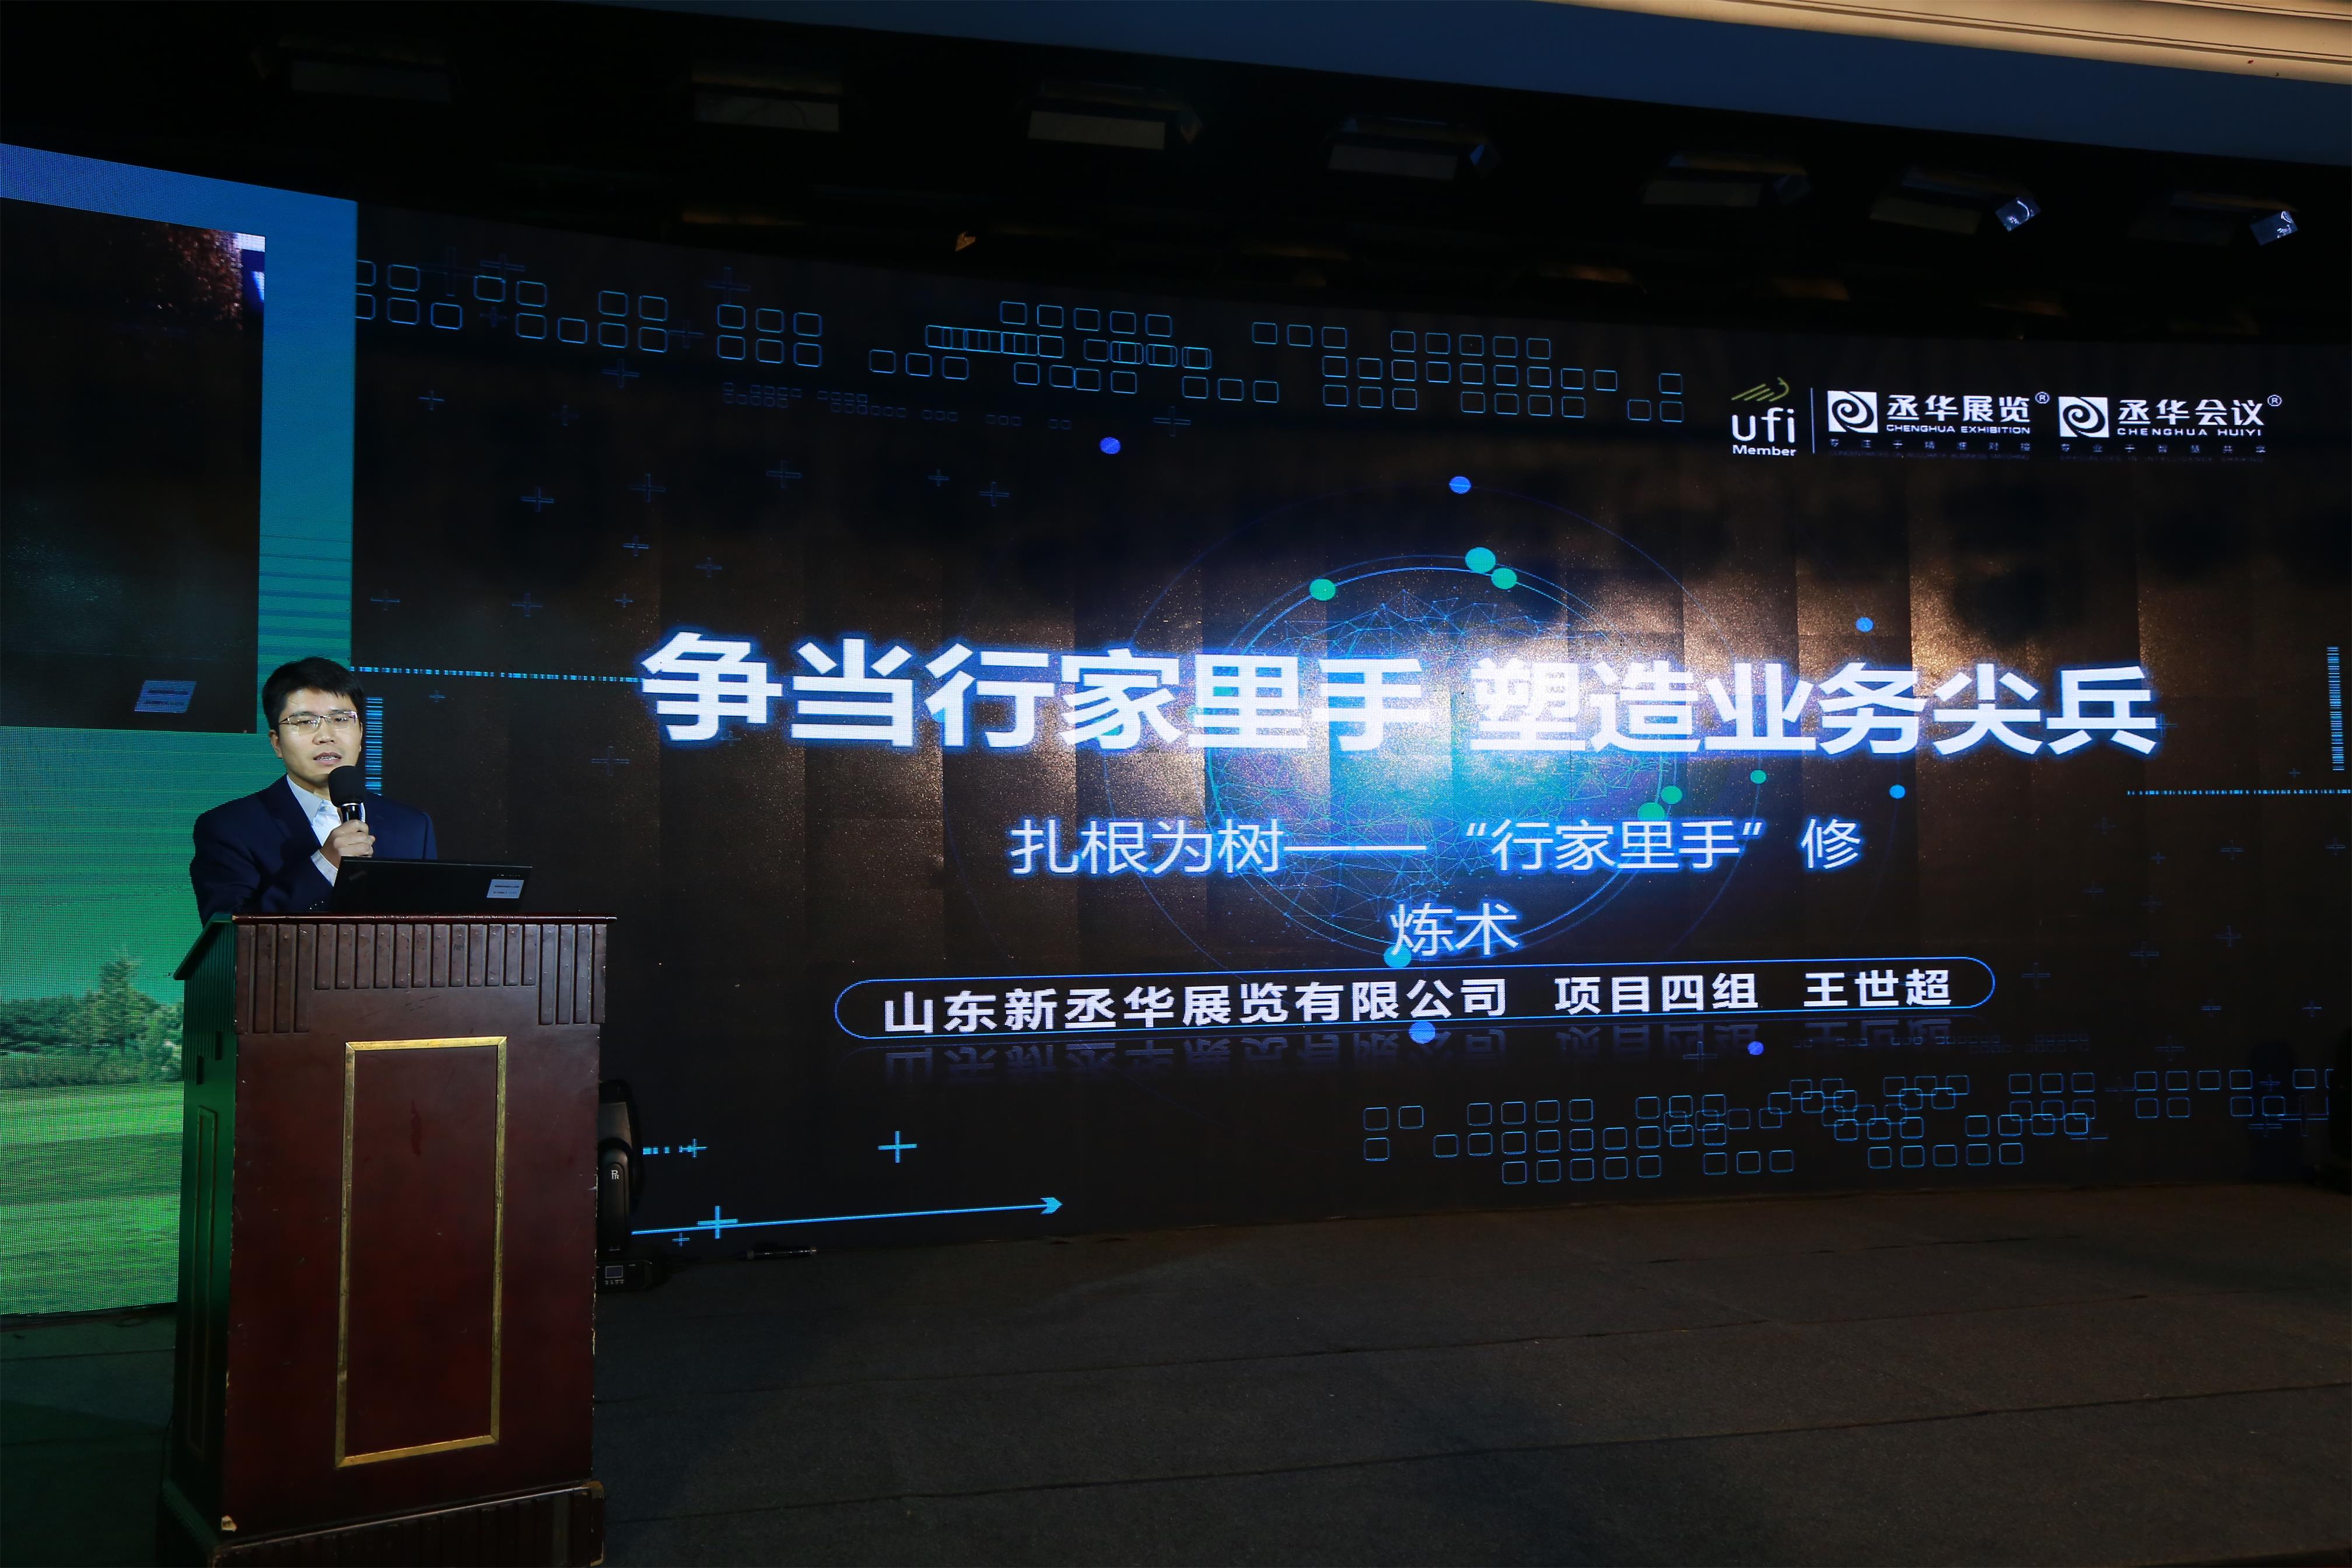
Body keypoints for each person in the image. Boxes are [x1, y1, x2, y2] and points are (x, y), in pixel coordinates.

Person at [189, 657, 436, 923]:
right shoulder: (229, 828)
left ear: (361, 734)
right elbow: (230, 936)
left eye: (341, 719)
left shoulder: (412, 826)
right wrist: (324, 866)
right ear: (277, 743)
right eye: (305, 722)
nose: (326, 736)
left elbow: (434, 928)